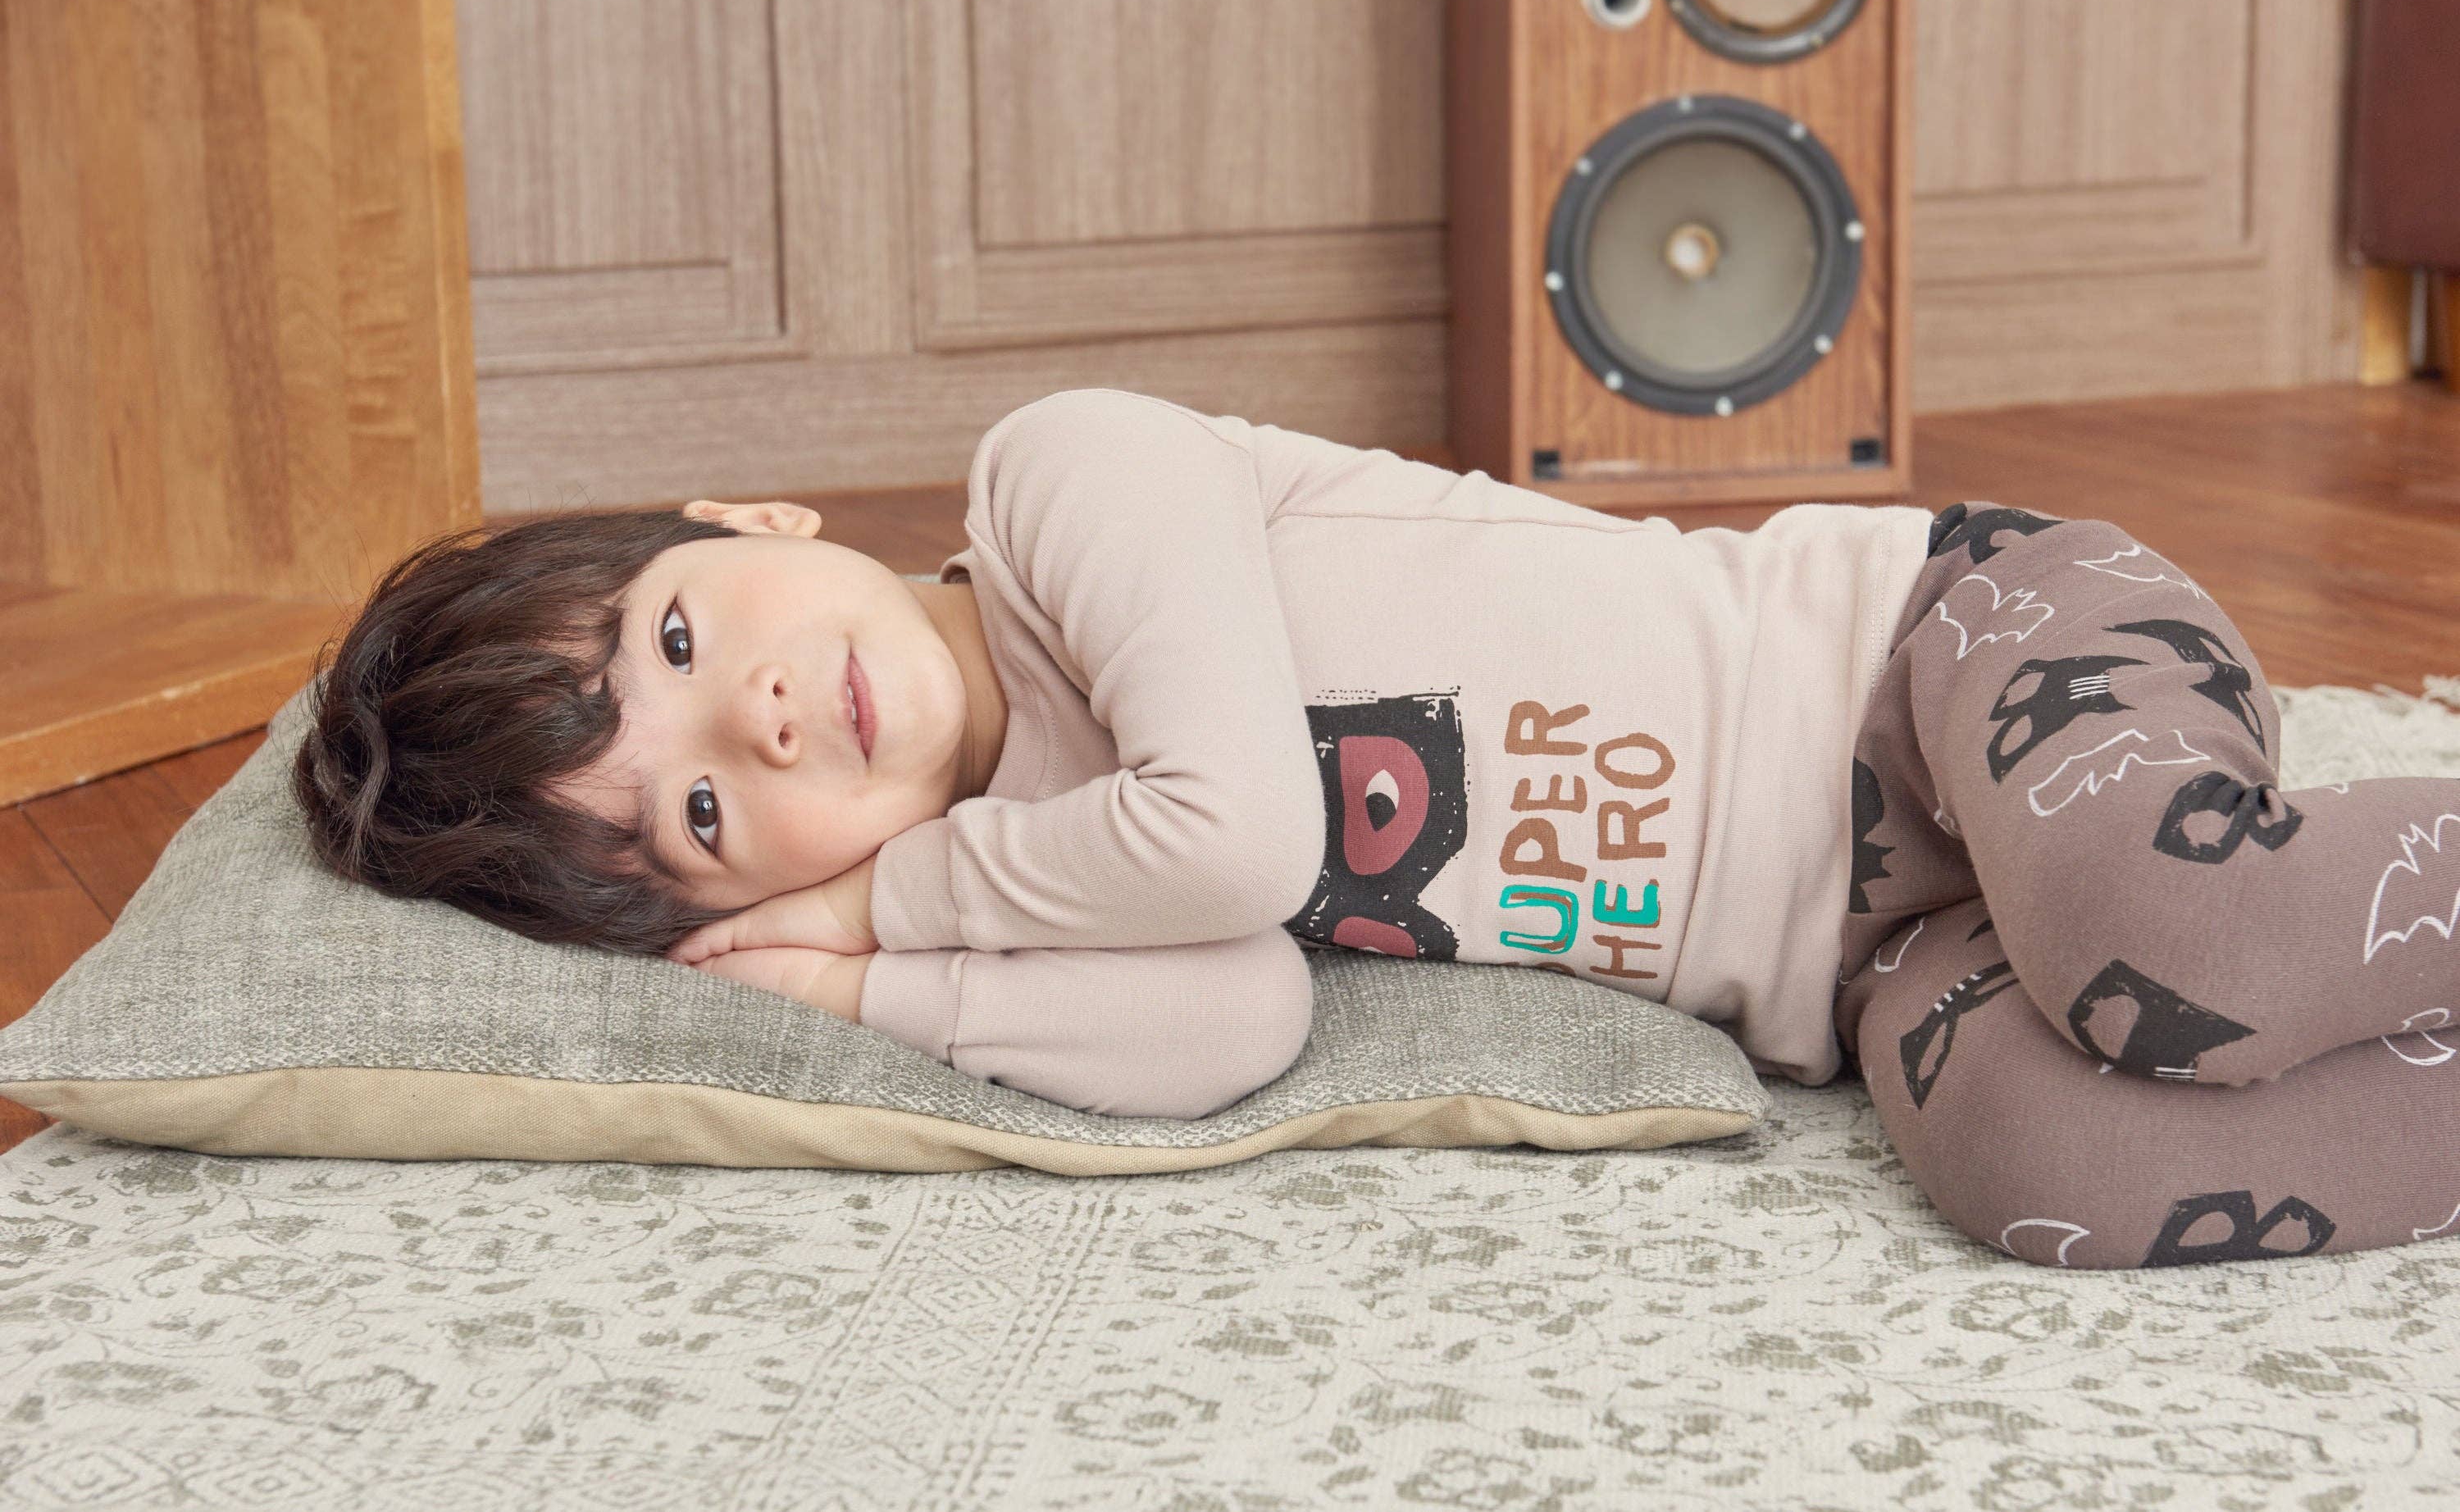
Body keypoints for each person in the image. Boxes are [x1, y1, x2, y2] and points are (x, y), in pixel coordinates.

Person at [297, 389, 2460, 1269]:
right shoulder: (1051, 856)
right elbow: (1236, 1021)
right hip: (1863, 960)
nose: (759, 719)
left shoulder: (1056, 488)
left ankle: (2296, 884)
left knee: (2167, 940)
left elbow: (1244, 839)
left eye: (684, 633)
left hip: (1952, 650)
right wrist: (889, 996)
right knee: (2047, 1166)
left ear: (750, 517)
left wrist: (897, 891)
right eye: (700, 808)